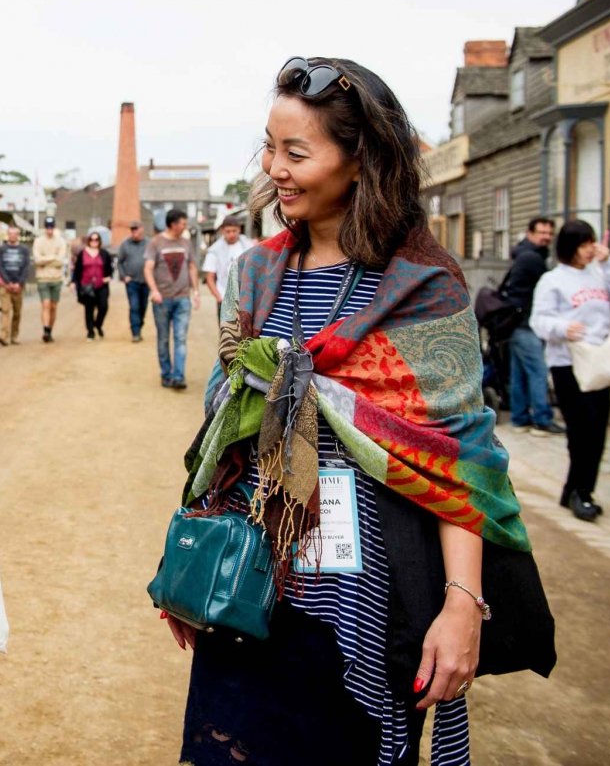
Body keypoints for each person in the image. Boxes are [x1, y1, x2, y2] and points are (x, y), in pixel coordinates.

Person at [170, 57, 550, 766]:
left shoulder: (422, 288)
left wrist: (463, 601)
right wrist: (193, 566)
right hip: (251, 582)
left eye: (296, 152)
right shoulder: (252, 274)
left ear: (359, 162)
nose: (273, 167)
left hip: (367, 594)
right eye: (269, 146)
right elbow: (224, 439)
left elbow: (460, 458)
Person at [530, 220, 610, 521]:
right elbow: (538, 321)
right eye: (584, 244)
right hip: (568, 363)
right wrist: (563, 327)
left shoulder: (600, 274)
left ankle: (577, 491)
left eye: (592, 242)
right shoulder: (553, 280)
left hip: (599, 362)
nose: (590, 249)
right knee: (581, 431)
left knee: (597, 431)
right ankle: (581, 492)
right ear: (570, 247)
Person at [498, 218, 564, 435]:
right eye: (541, 232)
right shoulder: (532, 258)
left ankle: (520, 418)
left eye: (549, 233)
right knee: (537, 371)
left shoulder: (524, 254)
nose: (546, 236)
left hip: (516, 324)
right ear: (530, 233)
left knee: (519, 373)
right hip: (526, 323)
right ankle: (542, 420)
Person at [144, 210, 200, 389]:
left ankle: (178, 376)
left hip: (182, 298)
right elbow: (148, 268)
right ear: (173, 224)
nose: (185, 226)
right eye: (183, 223)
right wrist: (154, 291)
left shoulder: (186, 242)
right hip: (162, 300)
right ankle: (166, 374)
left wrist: (196, 291)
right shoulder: (156, 242)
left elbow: (191, 266)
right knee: (163, 339)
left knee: (180, 337)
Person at [201, 214, 253, 321]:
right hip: (225, 298)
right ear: (222, 231)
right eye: (228, 231)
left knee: (248, 334)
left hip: (246, 298)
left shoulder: (248, 245)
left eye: (234, 231)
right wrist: (219, 298)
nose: (232, 234)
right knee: (227, 334)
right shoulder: (214, 250)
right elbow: (209, 277)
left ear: (239, 229)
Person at [0, 225, 33, 346]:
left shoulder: (24, 250)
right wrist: (7, 282)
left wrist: (19, 283)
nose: (12, 236)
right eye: (10, 233)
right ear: (7, 235)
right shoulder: (1, 249)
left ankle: (14, 336)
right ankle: (3, 336)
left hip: (19, 285)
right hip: (5, 285)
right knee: (5, 310)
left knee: (17, 312)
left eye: (15, 234)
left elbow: (26, 267)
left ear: (18, 235)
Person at [71, 229, 114, 340]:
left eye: (96, 239)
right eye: (92, 239)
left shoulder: (104, 254)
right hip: (86, 285)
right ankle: (90, 331)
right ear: (88, 241)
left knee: (103, 307)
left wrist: (108, 277)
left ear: (99, 241)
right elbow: (77, 270)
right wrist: (73, 282)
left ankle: (98, 324)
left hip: (101, 285)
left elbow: (110, 268)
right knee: (89, 309)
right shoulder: (82, 254)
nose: (94, 241)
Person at [32, 217, 70, 343]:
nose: (49, 230)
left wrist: (46, 260)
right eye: (47, 227)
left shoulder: (60, 241)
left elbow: (60, 261)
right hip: (43, 278)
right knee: (46, 304)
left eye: (51, 227)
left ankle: (50, 329)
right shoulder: (38, 241)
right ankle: (45, 329)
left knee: (53, 306)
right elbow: (37, 260)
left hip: (56, 278)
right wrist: (53, 257)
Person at [114, 221, 150, 342]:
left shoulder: (149, 244)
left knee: (143, 307)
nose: (134, 232)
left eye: (136, 229)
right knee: (134, 306)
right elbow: (120, 262)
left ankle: (139, 326)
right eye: (132, 230)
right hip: (132, 282)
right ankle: (135, 332)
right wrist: (124, 276)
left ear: (142, 229)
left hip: (146, 281)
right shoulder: (125, 244)